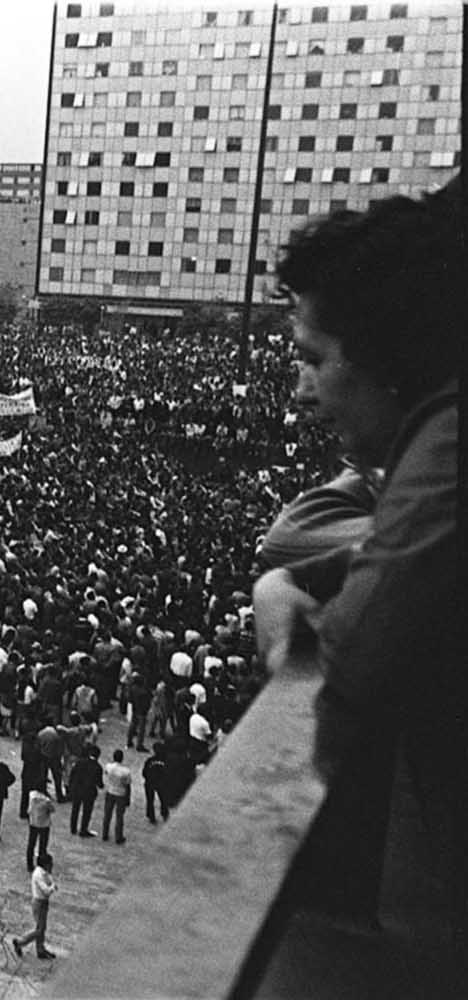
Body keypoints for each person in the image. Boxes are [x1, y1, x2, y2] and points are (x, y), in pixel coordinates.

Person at [254, 189, 465, 934]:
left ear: (387, 354)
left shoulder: (449, 451)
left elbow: (343, 686)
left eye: (313, 360)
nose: (302, 392)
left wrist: (283, 603)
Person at [11, 853, 58, 960]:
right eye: (50, 863)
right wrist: (52, 887)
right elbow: (46, 890)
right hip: (39, 902)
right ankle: (21, 942)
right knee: (40, 929)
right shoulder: (38, 875)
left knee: (41, 927)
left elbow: (50, 880)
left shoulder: (44, 873)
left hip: (43, 903)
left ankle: (40, 949)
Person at [101, 749, 133, 845]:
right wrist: (128, 798)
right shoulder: (126, 771)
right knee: (119, 816)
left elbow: (106, 773)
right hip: (121, 793)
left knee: (107, 814)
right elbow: (127, 785)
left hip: (110, 791)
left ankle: (105, 834)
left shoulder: (108, 766)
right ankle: (118, 836)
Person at [26, 785, 55, 874]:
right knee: (42, 845)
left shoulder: (31, 795)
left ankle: (29, 864)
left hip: (33, 822)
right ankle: (41, 863)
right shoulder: (46, 801)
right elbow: (52, 810)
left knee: (31, 843)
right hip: (44, 824)